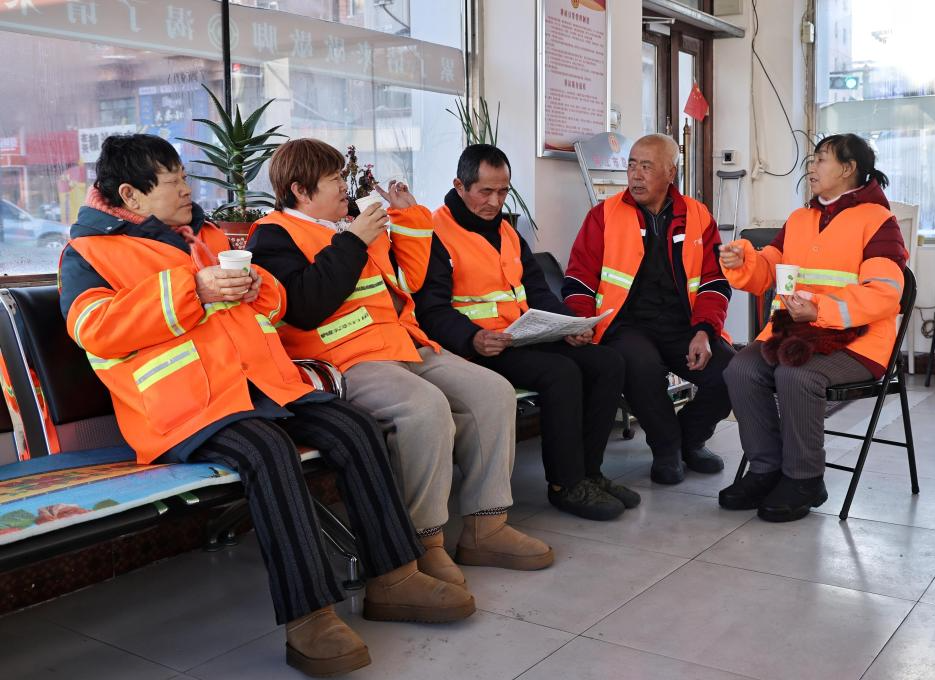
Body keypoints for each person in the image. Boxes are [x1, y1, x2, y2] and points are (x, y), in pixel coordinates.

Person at [58, 134, 474, 678]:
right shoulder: (88, 254)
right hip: (186, 408)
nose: (187, 190)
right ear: (130, 196)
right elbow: (94, 328)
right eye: (173, 182)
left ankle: (395, 577)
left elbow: (274, 307)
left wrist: (259, 286)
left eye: (185, 178)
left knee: (353, 426)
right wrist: (193, 290)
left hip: (261, 386)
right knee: (270, 452)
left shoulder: (205, 235)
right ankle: (311, 617)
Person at [248, 138, 553, 589]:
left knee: (492, 392)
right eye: (334, 179)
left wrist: (409, 220)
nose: (345, 187)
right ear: (300, 190)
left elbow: (408, 281)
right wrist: (353, 241)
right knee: (424, 408)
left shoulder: (350, 225)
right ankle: (423, 542)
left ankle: (486, 527)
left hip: (403, 343)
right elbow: (306, 306)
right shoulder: (272, 235)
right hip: (345, 360)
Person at [413, 144, 640, 521]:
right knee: (561, 373)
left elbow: (536, 290)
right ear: (459, 186)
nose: (495, 201)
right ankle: (565, 484)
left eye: (503, 191)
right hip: (476, 348)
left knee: (607, 362)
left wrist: (569, 324)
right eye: (485, 191)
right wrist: (473, 338)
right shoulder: (435, 233)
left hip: (521, 336)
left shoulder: (507, 231)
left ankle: (590, 472)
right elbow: (431, 310)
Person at [718, 133, 907, 523]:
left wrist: (819, 309)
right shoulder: (800, 219)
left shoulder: (878, 221)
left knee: (796, 375)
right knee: (740, 368)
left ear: (849, 169)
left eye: (821, 159)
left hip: (860, 342)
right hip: (792, 333)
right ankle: (765, 469)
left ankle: (804, 479)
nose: (812, 166)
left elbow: (885, 293)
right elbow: (769, 271)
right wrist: (743, 260)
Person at [562, 133, 734, 486]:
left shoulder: (698, 215)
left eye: (646, 167)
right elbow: (579, 278)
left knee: (733, 372)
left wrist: (705, 330)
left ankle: (690, 439)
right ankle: (666, 448)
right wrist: (580, 321)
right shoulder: (604, 215)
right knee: (641, 367)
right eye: (631, 165)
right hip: (625, 325)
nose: (636, 175)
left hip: (684, 324)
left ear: (670, 172)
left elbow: (715, 281)